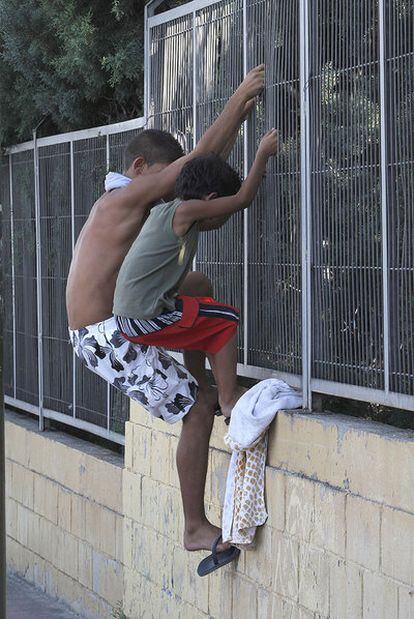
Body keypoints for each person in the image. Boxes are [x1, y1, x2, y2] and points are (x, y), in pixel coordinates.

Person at [66, 66, 265, 558]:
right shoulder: (124, 198)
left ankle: (206, 383)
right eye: (164, 176)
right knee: (196, 411)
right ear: (139, 167)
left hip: (121, 321)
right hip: (105, 336)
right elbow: (195, 164)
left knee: (198, 283)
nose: (172, 189)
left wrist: (238, 121)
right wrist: (237, 99)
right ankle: (195, 527)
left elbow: (198, 175)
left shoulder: (136, 204)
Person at [113, 130, 279, 423]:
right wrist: (262, 156)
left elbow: (220, 215)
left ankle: (202, 383)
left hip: (129, 313)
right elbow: (240, 201)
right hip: (144, 317)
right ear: (211, 198)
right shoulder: (187, 212)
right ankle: (228, 401)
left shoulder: (170, 211)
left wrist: (253, 177)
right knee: (225, 320)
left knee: (199, 286)